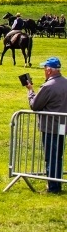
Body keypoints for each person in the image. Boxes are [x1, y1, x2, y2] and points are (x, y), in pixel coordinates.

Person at [26, 57, 67, 194]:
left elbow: (35, 105)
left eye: (45, 68)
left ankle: (53, 187)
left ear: (49, 70)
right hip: (62, 125)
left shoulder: (48, 86)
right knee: (58, 155)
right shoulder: (65, 83)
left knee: (51, 156)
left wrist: (30, 90)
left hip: (50, 126)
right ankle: (58, 183)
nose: (44, 71)